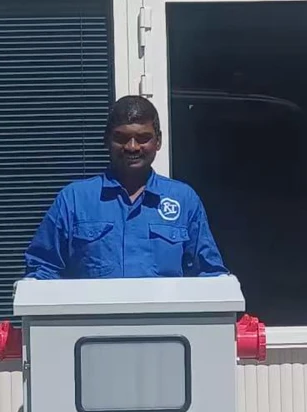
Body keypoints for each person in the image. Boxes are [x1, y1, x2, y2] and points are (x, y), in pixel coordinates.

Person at [23, 96, 227, 280]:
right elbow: (44, 270)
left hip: (164, 312)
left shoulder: (184, 200)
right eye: (121, 138)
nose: (132, 147)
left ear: (158, 141)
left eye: (143, 138)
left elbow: (209, 274)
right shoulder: (74, 200)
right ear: (106, 140)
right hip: (96, 312)